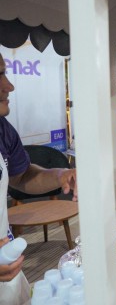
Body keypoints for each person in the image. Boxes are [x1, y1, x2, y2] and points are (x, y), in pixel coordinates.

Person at [0, 53, 77, 303]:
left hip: (8, 272)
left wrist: (60, 175)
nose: (9, 86)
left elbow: (21, 176)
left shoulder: (2, 129)